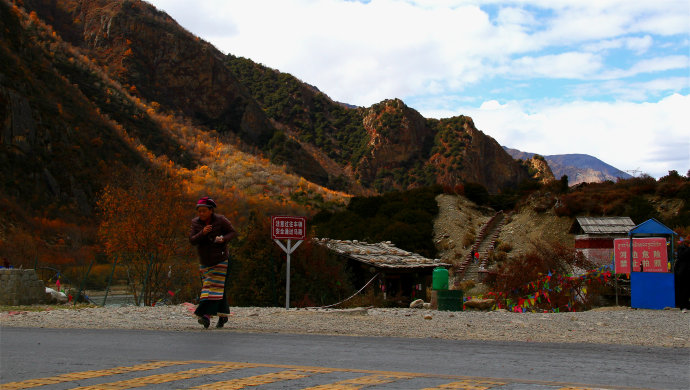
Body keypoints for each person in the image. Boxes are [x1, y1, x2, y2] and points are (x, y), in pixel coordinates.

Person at [189, 196, 237, 328]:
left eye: (204, 211)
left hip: (220, 259)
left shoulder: (221, 220)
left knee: (210, 287)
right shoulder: (195, 223)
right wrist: (202, 233)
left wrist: (223, 239)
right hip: (204, 261)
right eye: (199, 211)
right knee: (217, 288)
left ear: (211, 210)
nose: (201, 214)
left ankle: (205, 315)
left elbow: (232, 232)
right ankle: (223, 315)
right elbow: (192, 240)